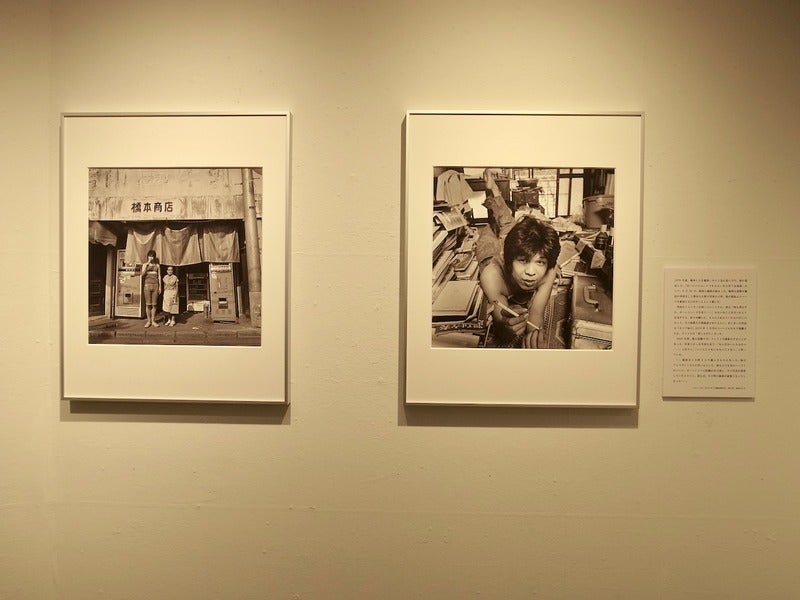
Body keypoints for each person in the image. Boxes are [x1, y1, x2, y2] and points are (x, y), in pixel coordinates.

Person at [476, 169, 561, 348]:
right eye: (523, 261)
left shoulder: (549, 270)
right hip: (491, 255)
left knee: (508, 224)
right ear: (508, 260)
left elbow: (536, 315)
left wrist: (535, 335)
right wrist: (504, 324)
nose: (531, 272)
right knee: (489, 232)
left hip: (512, 247)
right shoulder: (491, 275)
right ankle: (492, 195)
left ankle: (494, 189)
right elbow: (500, 316)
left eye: (540, 262)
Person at [141, 250, 161, 328]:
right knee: (148, 304)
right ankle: (148, 321)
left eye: (152, 256)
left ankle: (153, 321)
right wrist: (147, 264)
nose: (151, 257)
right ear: (147, 257)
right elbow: (142, 274)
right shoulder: (144, 265)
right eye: (149, 256)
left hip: (155, 285)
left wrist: (160, 287)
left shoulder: (157, 265)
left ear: (154, 257)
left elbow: (159, 276)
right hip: (147, 285)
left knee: (154, 304)